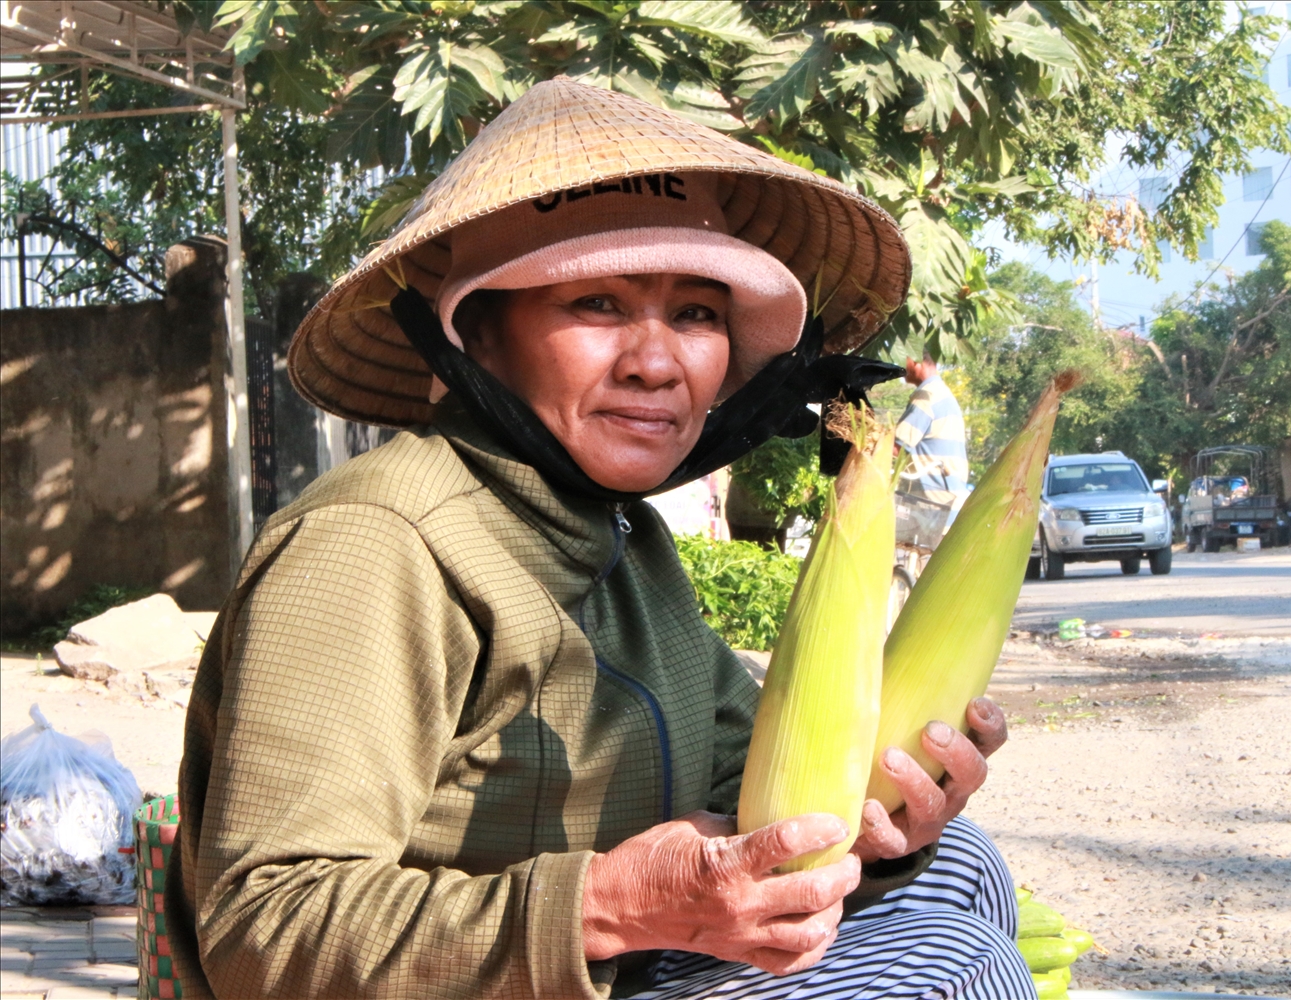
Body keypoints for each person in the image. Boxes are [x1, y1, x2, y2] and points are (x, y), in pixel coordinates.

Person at [164, 79, 1036, 999]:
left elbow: (752, 794)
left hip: (615, 967)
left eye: (696, 314)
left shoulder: (627, 544)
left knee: (958, 862)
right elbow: (263, 927)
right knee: (958, 963)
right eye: (598, 305)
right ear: (478, 338)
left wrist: (877, 821)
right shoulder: (374, 544)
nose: (658, 362)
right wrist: (611, 907)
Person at [893, 354, 968, 508]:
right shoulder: (942, 392)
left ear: (916, 361)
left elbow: (896, 448)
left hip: (931, 504)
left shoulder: (926, 395)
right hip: (948, 497)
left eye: (903, 360)